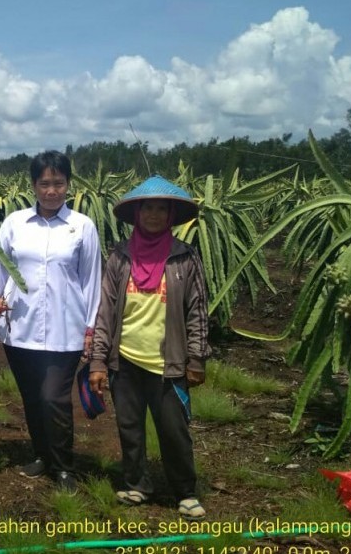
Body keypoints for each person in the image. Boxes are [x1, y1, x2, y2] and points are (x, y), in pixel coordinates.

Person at [88, 175, 212, 520]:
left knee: (173, 429)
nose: (154, 215)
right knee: (129, 426)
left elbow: (197, 310)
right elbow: (106, 310)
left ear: (171, 215)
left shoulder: (184, 258)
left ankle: (185, 490)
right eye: (148, 208)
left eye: (161, 209)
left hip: (167, 363)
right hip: (124, 359)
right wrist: (98, 360)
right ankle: (137, 483)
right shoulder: (120, 257)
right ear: (137, 213)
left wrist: (197, 358)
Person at [0, 150, 102, 492]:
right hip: (19, 326)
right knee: (32, 397)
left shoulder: (82, 226)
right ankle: (41, 455)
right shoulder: (15, 223)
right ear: (34, 185)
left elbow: (91, 278)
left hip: (66, 329)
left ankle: (64, 466)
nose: (52, 191)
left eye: (59, 183)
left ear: (69, 185)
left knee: (54, 397)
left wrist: (91, 328)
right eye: (44, 183)